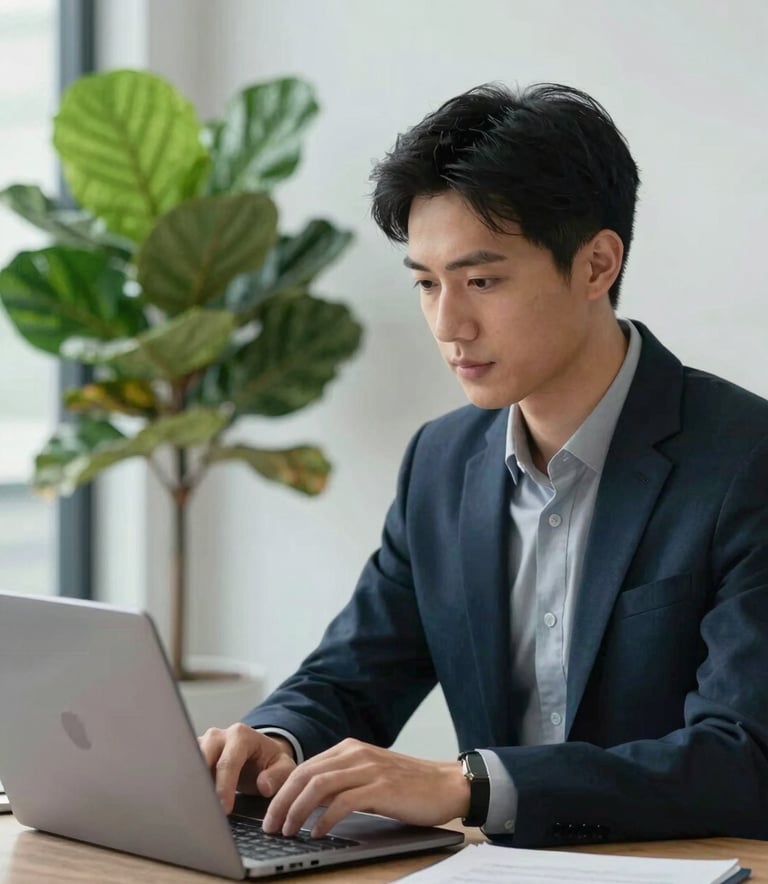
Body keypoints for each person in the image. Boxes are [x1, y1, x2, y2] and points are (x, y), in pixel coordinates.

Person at [199, 82, 768, 847]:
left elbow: (743, 761)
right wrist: (274, 740)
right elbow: (352, 674)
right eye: (427, 283)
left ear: (597, 264)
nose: (448, 324)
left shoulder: (743, 459)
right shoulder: (442, 461)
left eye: (482, 281)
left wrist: (464, 784)